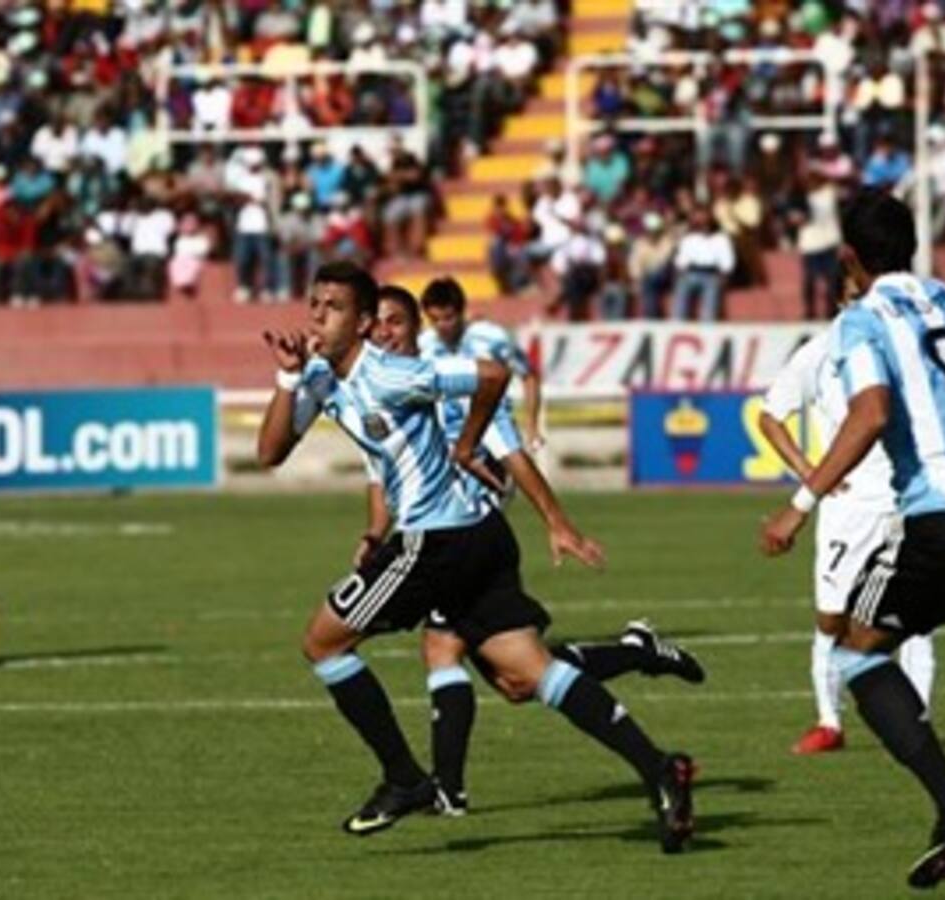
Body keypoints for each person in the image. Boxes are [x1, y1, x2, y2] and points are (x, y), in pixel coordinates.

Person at [258, 261, 696, 850]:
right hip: (476, 535)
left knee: (323, 641)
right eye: (314, 304)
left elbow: (491, 376)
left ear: (361, 323)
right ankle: (660, 769)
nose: (316, 316)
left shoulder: (391, 374)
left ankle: (405, 778)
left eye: (331, 307)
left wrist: (466, 446)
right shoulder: (320, 377)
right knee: (528, 672)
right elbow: (270, 452)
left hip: (435, 542)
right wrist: (288, 379)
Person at [760, 191, 945, 889]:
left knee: (858, 655)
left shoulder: (863, 320)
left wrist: (800, 503)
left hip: (942, 519)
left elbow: (870, 414)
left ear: (848, 255)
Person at [369, 284, 704, 814]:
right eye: (376, 323)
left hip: (468, 538)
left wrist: (557, 521)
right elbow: (384, 474)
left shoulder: (458, 378)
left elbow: (512, 451)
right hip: (442, 540)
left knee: (445, 648)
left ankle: (448, 791)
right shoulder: (383, 385)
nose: (382, 333)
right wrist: (373, 533)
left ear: (417, 326)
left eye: (394, 322)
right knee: (518, 679)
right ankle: (638, 655)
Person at [759, 325, 936, 756]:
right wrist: (808, 472)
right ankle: (829, 723)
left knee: (913, 619)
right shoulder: (819, 352)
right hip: (849, 511)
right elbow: (771, 416)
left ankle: (918, 720)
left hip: (908, 500)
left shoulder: (904, 345)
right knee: (831, 620)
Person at [418, 276, 543, 451]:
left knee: (508, 477)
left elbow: (528, 376)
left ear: (461, 312)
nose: (442, 325)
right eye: (434, 319)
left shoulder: (492, 337)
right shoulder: (423, 346)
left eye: (448, 318)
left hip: (495, 429)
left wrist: (531, 428)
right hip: (450, 439)